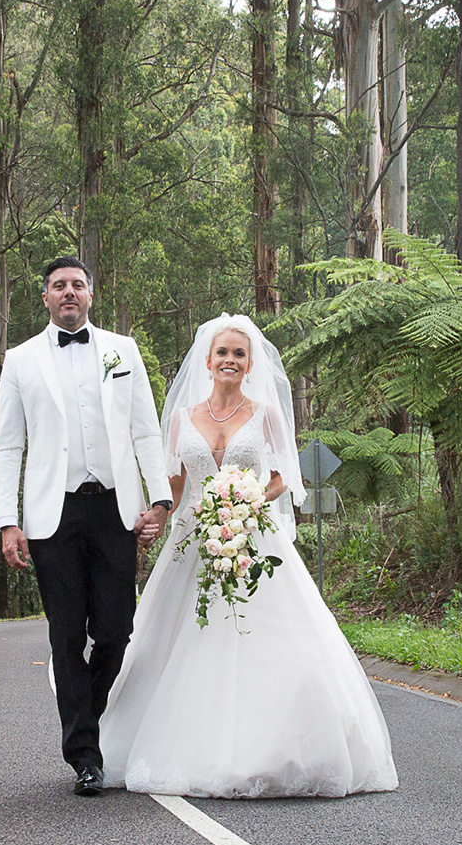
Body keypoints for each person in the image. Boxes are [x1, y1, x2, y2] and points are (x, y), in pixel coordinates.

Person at [99, 314, 398, 799]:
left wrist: (252, 498)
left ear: (251, 363)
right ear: (208, 361)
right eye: (223, 353)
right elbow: (174, 486)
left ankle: (273, 749)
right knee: (179, 642)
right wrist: (154, 519)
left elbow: (285, 475)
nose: (230, 361)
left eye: (239, 354)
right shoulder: (182, 418)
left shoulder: (265, 414)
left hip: (253, 537)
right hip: (193, 541)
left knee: (270, 642)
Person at [0, 257, 173, 795]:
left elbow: (145, 430)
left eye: (77, 284)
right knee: (67, 635)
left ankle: (86, 719)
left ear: (91, 293)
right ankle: (85, 757)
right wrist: (8, 521)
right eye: (58, 286)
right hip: (54, 515)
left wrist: (159, 500)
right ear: (44, 296)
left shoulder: (124, 350)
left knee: (117, 632)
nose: (68, 292)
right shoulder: (20, 360)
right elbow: (8, 444)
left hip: (117, 508)